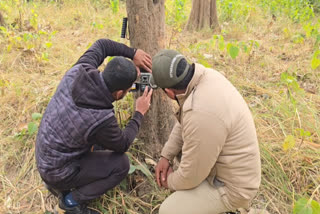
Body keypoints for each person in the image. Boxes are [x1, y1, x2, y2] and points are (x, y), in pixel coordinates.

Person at [35, 39, 153, 214]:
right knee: (121, 165)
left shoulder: (80, 69)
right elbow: (123, 144)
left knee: (100, 143)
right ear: (119, 93)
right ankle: (71, 201)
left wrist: (133, 53)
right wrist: (139, 113)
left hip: (46, 156)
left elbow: (102, 45)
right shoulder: (101, 118)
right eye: (128, 90)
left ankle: (60, 183)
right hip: (56, 171)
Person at [152, 50, 261, 214]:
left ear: (168, 92)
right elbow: (185, 122)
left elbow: (190, 177)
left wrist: (168, 181)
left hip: (234, 189)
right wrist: (166, 155)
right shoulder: (206, 76)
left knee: (168, 210)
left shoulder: (200, 113)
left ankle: (234, 208)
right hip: (234, 169)